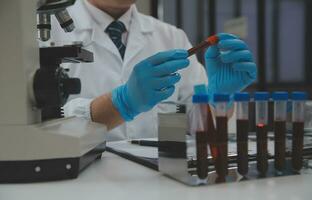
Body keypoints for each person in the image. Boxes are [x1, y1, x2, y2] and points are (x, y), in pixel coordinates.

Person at [46, 0, 257, 140]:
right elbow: (41, 127)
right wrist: (121, 103)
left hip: (160, 185)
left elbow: (201, 127)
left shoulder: (172, 37)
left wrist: (220, 99)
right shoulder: (43, 29)